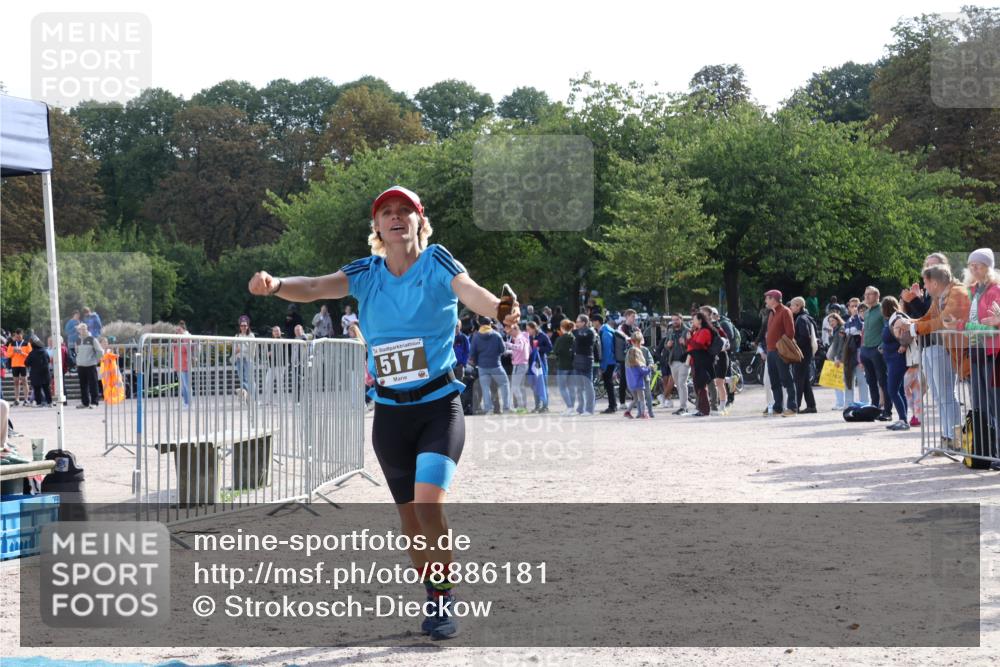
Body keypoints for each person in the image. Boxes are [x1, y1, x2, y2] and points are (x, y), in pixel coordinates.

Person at [248, 185, 521, 640]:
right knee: (410, 521)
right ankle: (433, 595)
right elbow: (314, 287)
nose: (396, 217)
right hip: (391, 416)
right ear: (376, 226)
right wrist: (275, 285)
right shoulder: (367, 273)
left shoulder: (437, 262)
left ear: (419, 220)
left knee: (429, 506)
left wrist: (499, 309)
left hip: (438, 409)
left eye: (404, 211)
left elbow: (471, 292)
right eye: (386, 212)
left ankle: (444, 598)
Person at [905, 264, 969, 446]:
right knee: (940, 397)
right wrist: (909, 323)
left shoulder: (957, 292)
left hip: (954, 351)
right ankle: (948, 437)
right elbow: (927, 317)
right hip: (941, 348)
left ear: (935, 282)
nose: (924, 286)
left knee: (947, 396)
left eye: (926, 282)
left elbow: (942, 321)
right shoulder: (940, 296)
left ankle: (955, 438)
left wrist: (914, 328)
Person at [944, 248, 1000, 435]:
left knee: (995, 403)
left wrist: (961, 325)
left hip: (994, 354)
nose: (974, 269)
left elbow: (992, 329)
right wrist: (957, 324)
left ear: (988, 268)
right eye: (971, 265)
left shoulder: (995, 291)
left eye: (979, 265)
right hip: (977, 352)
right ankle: (986, 446)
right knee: (979, 405)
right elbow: (974, 323)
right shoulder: (973, 291)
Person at [860, 286, 892, 421]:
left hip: (877, 350)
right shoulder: (866, 312)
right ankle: (874, 409)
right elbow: (865, 332)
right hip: (866, 350)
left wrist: (882, 346)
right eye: (865, 294)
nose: (866, 297)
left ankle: (887, 411)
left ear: (877, 296)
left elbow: (887, 327)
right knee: (871, 381)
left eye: (870, 294)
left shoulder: (882, 310)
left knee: (883, 381)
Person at [763, 290, 797, 416]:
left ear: (774, 299)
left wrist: (780, 346)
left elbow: (790, 333)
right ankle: (778, 407)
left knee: (787, 379)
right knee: (774, 381)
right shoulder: (772, 313)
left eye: (767, 298)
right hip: (771, 351)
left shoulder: (785, 311)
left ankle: (792, 407)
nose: (765, 301)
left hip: (780, 351)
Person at [471, 316, 511, 415]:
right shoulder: (496, 335)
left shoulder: (476, 337)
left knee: (485, 388)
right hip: (496, 365)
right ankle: (506, 407)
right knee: (504, 384)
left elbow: (472, 354)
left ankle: (488, 409)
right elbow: (503, 350)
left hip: (482, 366)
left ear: (480, 324)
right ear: (490, 324)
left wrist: (477, 362)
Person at [789, 297, 818, 414]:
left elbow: (805, 337)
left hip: (802, 354)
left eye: (792, 305)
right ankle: (811, 406)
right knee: (804, 380)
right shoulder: (807, 317)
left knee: (798, 380)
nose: (790, 307)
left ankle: (795, 406)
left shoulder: (801, 319)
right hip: (807, 354)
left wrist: (794, 344)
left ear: (798, 306)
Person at [686, 312, 714, 417]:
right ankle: (700, 408)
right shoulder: (697, 331)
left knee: (701, 385)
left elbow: (698, 346)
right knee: (697, 385)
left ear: (700, 320)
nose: (692, 321)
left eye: (694, 319)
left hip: (701, 360)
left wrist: (689, 339)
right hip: (695, 360)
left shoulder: (704, 331)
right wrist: (690, 335)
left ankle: (705, 409)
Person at [662, 314, 689, 415]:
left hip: (684, 361)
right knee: (678, 384)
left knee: (682, 383)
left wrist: (685, 343)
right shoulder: (670, 331)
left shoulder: (687, 331)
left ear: (681, 319)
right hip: (673, 362)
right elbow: (665, 345)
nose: (675, 322)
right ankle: (682, 407)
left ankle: (684, 407)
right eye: (673, 320)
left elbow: (692, 345)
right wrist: (668, 345)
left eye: (677, 319)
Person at [571, 314, 598, 416]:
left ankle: (589, 409)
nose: (576, 323)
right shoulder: (578, 332)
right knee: (579, 386)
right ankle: (580, 408)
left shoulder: (590, 332)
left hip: (586, 359)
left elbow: (580, 338)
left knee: (588, 385)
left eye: (578, 321)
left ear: (584, 322)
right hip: (578, 359)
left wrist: (573, 330)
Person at [74, 323, 103, 409]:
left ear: (87, 329)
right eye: (80, 329)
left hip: (91, 365)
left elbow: (100, 351)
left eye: (84, 329)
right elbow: (77, 352)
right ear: (78, 331)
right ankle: (85, 402)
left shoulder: (92, 339)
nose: (82, 331)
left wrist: (96, 360)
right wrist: (78, 361)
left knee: (93, 384)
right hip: (81, 365)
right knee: (83, 385)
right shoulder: (77, 341)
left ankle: (94, 402)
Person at [624, 331, 653, 419]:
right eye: (634, 342)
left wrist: (650, 364)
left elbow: (650, 360)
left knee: (645, 396)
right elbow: (641, 370)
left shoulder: (645, 350)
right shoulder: (631, 352)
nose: (637, 344)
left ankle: (649, 412)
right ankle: (642, 413)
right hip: (639, 379)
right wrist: (649, 368)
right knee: (641, 398)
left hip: (640, 379)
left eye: (638, 342)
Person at [525, 321, 551, 413]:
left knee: (543, 384)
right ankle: (537, 406)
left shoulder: (543, 336)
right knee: (535, 385)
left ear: (533, 328)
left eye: (529, 329)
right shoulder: (529, 337)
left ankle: (545, 406)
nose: (527, 331)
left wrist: (540, 349)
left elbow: (550, 347)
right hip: (533, 363)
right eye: (527, 329)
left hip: (542, 363)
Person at [552, 319, 577, 415]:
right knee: (571, 387)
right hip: (572, 365)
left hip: (562, 365)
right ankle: (572, 407)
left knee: (562, 387)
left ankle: (569, 407)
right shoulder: (573, 337)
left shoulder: (560, 339)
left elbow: (555, 351)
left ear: (562, 327)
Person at [505, 323, 531, 412]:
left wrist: (508, 344)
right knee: (521, 387)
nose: (510, 333)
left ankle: (521, 407)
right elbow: (521, 351)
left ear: (515, 329)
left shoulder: (519, 338)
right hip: (523, 364)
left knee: (515, 387)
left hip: (519, 365)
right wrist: (509, 351)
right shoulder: (524, 337)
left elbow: (520, 348)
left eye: (511, 331)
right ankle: (523, 407)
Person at [825, 312, 847, 410]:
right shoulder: (836, 329)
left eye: (833, 320)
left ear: (838, 320)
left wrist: (838, 358)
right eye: (830, 321)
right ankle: (839, 403)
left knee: (839, 380)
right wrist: (830, 335)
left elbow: (841, 345)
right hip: (837, 357)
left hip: (840, 358)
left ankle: (841, 403)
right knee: (836, 381)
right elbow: (834, 344)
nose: (831, 323)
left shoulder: (841, 329)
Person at [3, 330, 31, 406]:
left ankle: (26, 399)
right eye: (16, 336)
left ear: (22, 335)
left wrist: (22, 352)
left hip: (23, 365)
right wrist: (14, 352)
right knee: (16, 382)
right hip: (14, 365)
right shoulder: (12, 344)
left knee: (24, 381)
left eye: (19, 336)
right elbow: (8, 355)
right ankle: (17, 399)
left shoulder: (27, 343)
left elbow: (30, 355)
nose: (18, 337)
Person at [596, 315, 618, 413]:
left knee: (609, 385)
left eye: (593, 321)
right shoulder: (607, 330)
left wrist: (603, 366)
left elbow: (607, 351)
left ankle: (612, 406)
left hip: (608, 362)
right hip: (611, 361)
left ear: (597, 322)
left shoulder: (605, 333)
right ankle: (612, 405)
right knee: (609, 385)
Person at [232, 315, 256, 402]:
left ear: (248, 326)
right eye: (242, 325)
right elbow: (234, 349)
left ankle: (252, 397)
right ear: (240, 326)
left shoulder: (251, 335)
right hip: (239, 359)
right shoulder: (237, 336)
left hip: (248, 359)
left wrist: (242, 349)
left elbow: (252, 348)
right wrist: (236, 352)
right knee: (242, 378)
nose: (243, 327)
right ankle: (246, 396)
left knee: (249, 379)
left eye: (245, 325)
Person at [25, 337, 52, 407]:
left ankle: (39, 403)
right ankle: (49, 402)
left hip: (35, 373)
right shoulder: (45, 351)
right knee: (46, 388)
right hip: (45, 372)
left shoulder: (32, 353)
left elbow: (26, 363)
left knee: (37, 389)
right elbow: (48, 360)